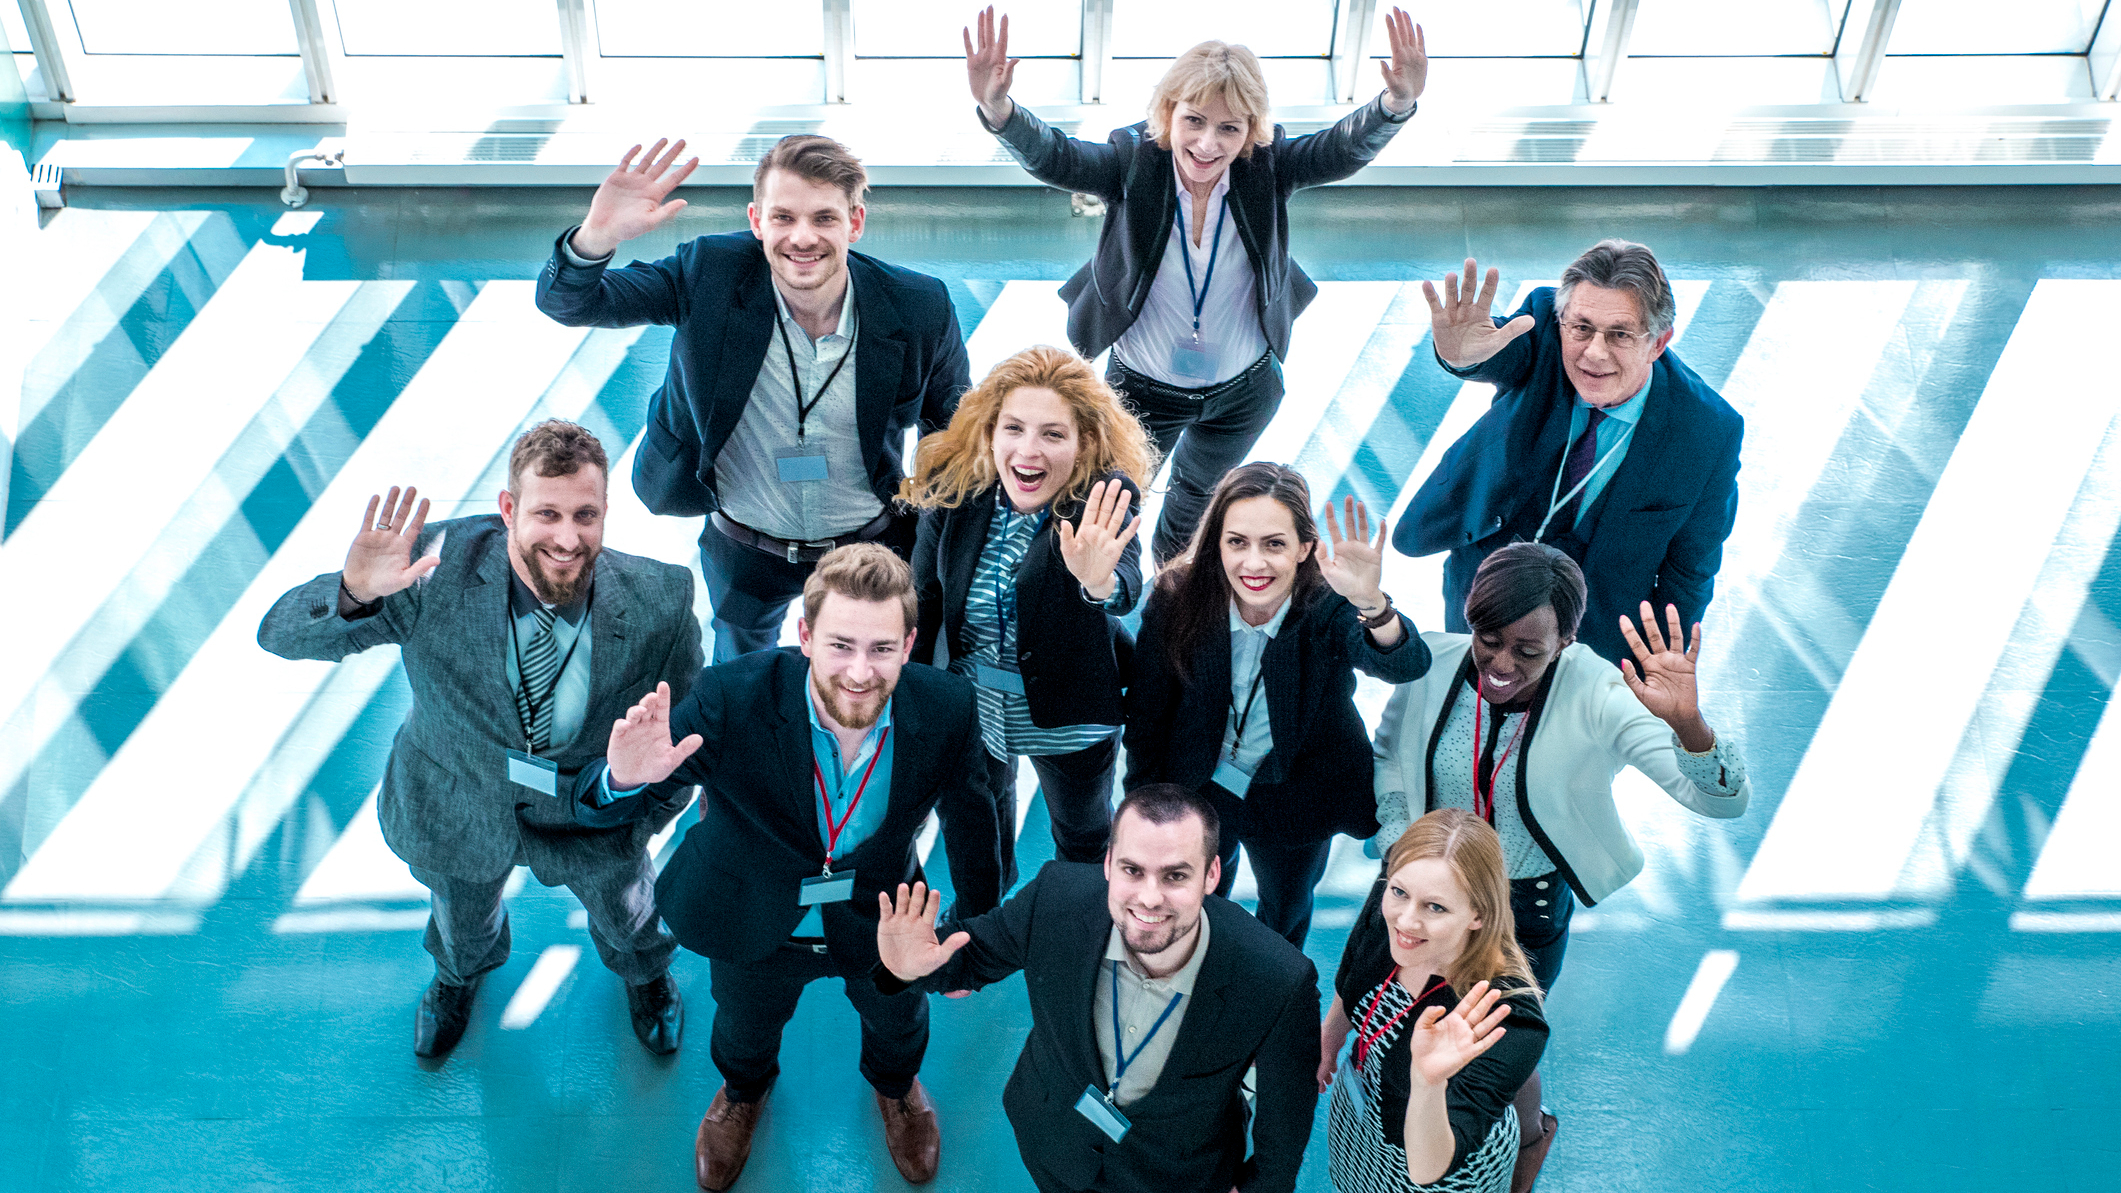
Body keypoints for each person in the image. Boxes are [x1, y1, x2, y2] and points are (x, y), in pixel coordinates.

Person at [256, 421, 700, 1060]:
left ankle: (646, 977)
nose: (568, 538)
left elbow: (679, 740)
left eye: (586, 515)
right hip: (454, 803)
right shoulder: (428, 569)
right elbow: (280, 636)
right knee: (460, 919)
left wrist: (633, 814)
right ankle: (457, 976)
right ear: (509, 509)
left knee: (629, 914)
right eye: (546, 513)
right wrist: (353, 595)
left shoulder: (660, 598)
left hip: (592, 815)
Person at [569, 543, 1003, 1190]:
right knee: (743, 1023)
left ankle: (896, 1087)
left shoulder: (946, 708)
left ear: (909, 642)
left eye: (882, 648)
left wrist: (975, 937)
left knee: (897, 1017)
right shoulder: (729, 698)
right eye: (840, 644)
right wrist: (620, 780)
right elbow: (610, 804)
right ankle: (742, 1092)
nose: (859, 671)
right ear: (804, 634)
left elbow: (974, 820)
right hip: (752, 908)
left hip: (881, 915)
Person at [965, 6, 1429, 563]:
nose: (1208, 144)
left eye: (1229, 128)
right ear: (1169, 113)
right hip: (1139, 390)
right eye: (1194, 122)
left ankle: (1168, 600)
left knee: (1196, 502)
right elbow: (1058, 158)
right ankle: (1112, 598)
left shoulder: (1267, 166)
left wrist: (1395, 104)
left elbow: (1337, 149)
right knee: (1113, 502)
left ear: (1249, 130)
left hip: (1243, 391)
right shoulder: (1134, 160)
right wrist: (1000, 109)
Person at [1371, 542, 1752, 1189]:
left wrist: (1688, 725)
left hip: (1523, 911)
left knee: (1499, 1043)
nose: (1500, 665)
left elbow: (1723, 798)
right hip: (1434, 896)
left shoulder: (1598, 693)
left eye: (1528, 650)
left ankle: (1524, 1144)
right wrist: (1400, 863)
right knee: (1425, 1024)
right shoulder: (1433, 665)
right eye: (1487, 639)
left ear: (1566, 639)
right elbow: (1388, 760)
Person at [536, 133, 971, 661]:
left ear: (855, 223)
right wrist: (594, 240)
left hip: (868, 543)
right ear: (756, 220)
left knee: (878, 680)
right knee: (738, 681)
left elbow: (953, 436)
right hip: (744, 541)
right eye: (783, 217)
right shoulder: (709, 273)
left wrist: (938, 546)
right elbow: (571, 303)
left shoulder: (917, 305)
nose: (802, 238)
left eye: (824, 218)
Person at [874, 784, 1320, 1193]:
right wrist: (904, 969)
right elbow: (967, 961)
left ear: (1211, 875)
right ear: (1108, 864)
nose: (1149, 898)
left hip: (1173, 1177)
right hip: (1052, 1141)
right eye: (1132, 869)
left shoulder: (1279, 981)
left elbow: (1284, 1129)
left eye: (1175, 876)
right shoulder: (1054, 898)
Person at [1125, 462, 1430, 947]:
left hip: (1296, 792)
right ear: (1216, 543)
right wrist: (1142, 802)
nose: (1254, 563)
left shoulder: (1330, 603)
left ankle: (1271, 997)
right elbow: (1146, 713)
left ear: (1305, 547)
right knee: (1197, 904)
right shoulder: (1178, 598)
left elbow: (1405, 664)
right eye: (1237, 542)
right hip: (1199, 782)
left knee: (1285, 913)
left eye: (1274, 544)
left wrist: (1374, 604)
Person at [1396, 241, 1745, 664]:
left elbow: (1689, 574)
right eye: (1581, 329)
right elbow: (1494, 351)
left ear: (1658, 343)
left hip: (1594, 629)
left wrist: (1659, 672)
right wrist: (1461, 357)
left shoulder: (1707, 432)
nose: (1594, 353)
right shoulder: (1543, 326)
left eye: (1619, 334)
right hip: (1485, 584)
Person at [901, 344, 1158, 887]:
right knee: (980, 824)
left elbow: (1124, 585)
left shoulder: (1103, 502)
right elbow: (922, 601)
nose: (1028, 451)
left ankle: (1081, 918)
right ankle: (987, 919)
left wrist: (1097, 582)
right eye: (1014, 429)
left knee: (1083, 835)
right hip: (972, 702)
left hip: (1067, 713)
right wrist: (915, 702)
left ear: (1085, 442)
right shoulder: (953, 494)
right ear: (990, 431)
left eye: (1053, 434)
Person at [1320, 810, 1549, 1193]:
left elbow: (1428, 1169)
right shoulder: (1391, 906)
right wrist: (1331, 1037)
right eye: (1399, 892)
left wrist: (1427, 1083)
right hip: (1361, 1117)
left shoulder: (1506, 1016)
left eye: (1436, 907)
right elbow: (1352, 970)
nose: (1406, 922)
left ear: (1478, 914)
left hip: (1436, 1154)